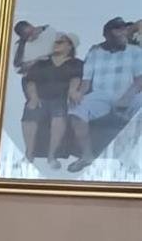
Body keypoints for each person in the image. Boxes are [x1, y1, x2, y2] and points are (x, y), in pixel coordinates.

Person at [68, 17, 142, 173]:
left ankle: (129, 157)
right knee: (77, 109)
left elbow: (138, 80)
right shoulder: (94, 52)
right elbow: (86, 80)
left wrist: (126, 98)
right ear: (107, 34)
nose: (123, 33)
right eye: (118, 31)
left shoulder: (135, 51)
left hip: (129, 93)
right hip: (101, 95)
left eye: (124, 30)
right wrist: (78, 93)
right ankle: (86, 156)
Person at [21, 31, 83, 164]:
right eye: (55, 42)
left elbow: (76, 78)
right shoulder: (42, 62)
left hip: (60, 100)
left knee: (58, 118)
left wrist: (72, 91)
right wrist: (33, 97)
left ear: (70, 46)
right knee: (30, 114)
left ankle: (52, 156)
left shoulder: (76, 63)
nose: (56, 44)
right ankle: (29, 153)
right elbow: (31, 80)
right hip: (40, 98)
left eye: (60, 42)